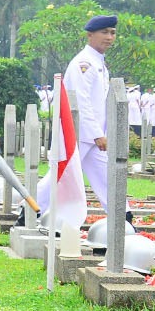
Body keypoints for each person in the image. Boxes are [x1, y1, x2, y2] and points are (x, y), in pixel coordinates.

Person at [35, 14, 116, 215]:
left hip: (94, 135)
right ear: (90, 35)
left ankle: (123, 216)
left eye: (113, 33)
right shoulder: (84, 63)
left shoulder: (98, 63)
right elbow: (80, 101)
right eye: (104, 32)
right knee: (60, 173)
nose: (109, 37)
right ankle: (30, 210)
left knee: (106, 177)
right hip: (80, 132)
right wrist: (97, 133)